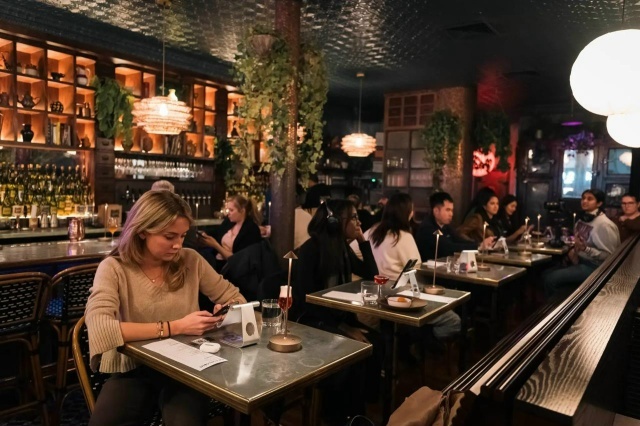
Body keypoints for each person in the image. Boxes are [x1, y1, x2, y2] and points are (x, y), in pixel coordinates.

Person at [85, 190, 246, 426]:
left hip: (187, 368)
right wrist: (176, 327)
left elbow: (236, 298)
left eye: (182, 236)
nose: (178, 245)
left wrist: (225, 314)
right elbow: (101, 329)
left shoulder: (190, 260)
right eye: (169, 236)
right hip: (134, 368)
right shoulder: (114, 268)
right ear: (142, 230)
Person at [292, 199, 383, 421]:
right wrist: (344, 328)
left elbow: (372, 275)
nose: (359, 223)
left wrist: (362, 241)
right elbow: (306, 302)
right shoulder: (311, 250)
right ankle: (339, 415)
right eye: (354, 217)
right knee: (354, 353)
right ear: (335, 222)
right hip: (314, 322)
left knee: (379, 342)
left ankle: (360, 411)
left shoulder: (342, 247)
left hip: (338, 318)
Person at [367, 193, 461, 340]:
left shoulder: (374, 231)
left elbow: (355, 247)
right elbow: (416, 268)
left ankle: (409, 337)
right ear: (407, 213)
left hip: (378, 291)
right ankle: (417, 339)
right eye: (411, 209)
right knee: (454, 321)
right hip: (401, 293)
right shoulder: (403, 236)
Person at [543, 189, 620, 298]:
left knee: (551, 279)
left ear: (599, 203)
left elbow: (610, 256)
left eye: (590, 199)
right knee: (545, 273)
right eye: (583, 198)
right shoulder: (582, 220)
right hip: (579, 261)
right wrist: (573, 250)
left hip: (596, 267)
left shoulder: (605, 225)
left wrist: (585, 249)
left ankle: (560, 306)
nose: (584, 201)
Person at [415, 191, 487, 261]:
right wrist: (478, 246)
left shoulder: (446, 226)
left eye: (452, 210)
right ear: (436, 211)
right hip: (428, 267)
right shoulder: (427, 227)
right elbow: (448, 247)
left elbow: (459, 240)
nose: (451, 214)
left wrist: (479, 244)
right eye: (447, 210)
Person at [197, 194, 262, 270]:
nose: (228, 213)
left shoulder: (251, 230)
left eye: (231, 210)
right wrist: (204, 234)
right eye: (228, 210)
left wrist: (215, 245)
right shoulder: (229, 222)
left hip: (233, 269)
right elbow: (217, 232)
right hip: (217, 262)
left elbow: (239, 260)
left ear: (242, 211)